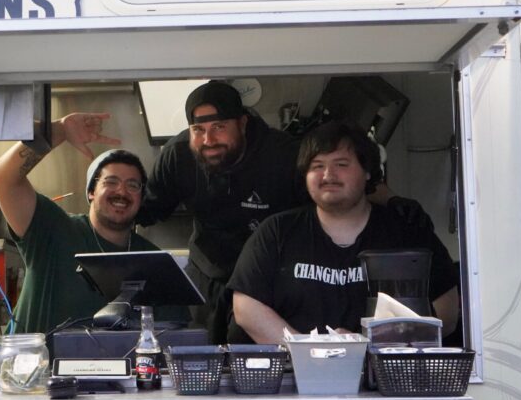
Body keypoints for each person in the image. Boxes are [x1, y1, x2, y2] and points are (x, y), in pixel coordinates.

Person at [137, 80, 426, 343]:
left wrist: (393, 201)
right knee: (212, 351)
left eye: (219, 127)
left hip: (271, 273)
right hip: (211, 271)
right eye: (198, 130)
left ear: (243, 123)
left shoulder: (282, 154)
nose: (208, 140)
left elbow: (334, 188)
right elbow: (149, 209)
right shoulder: (177, 156)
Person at [226, 120, 460, 344]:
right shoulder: (276, 231)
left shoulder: (407, 231)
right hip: (297, 378)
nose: (328, 175)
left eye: (341, 164)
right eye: (317, 166)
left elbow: (447, 309)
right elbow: (245, 307)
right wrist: (305, 348)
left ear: (368, 171)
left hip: (387, 377)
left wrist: (368, 347)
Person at [0, 112, 158, 335]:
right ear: (90, 192)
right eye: (111, 182)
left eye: (133, 185)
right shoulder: (52, 229)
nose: (122, 191)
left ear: (141, 197)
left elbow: (174, 336)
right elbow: (5, 177)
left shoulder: (152, 259)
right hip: (36, 369)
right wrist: (59, 130)